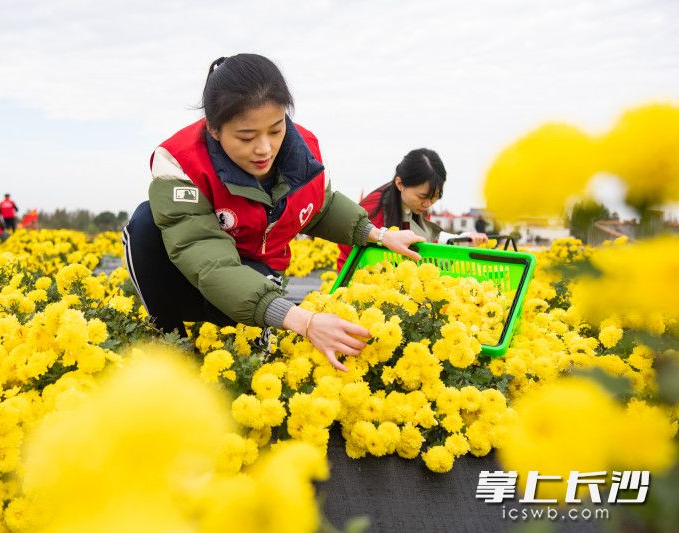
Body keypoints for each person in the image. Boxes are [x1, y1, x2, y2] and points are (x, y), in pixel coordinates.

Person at [123, 53, 426, 371]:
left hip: (258, 272)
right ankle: (172, 345)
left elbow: (319, 206)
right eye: (246, 136)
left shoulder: (301, 150)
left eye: (276, 130)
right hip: (188, 279)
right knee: (144, 224)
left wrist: (380, 235)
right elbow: (206, 260)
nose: (265, 148)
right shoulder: (180, 163)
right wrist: (304, 321)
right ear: (214, 129)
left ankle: (256, 331)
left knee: (253, 345)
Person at [337, 149, 488, 269]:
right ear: (400, 184)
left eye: (435, 196)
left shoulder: (416, 208)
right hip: (358, 277)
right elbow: (352, 254)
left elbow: (426, 241)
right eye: (422, 196)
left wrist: (461, 240)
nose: (428, 204)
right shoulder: (373, 210)